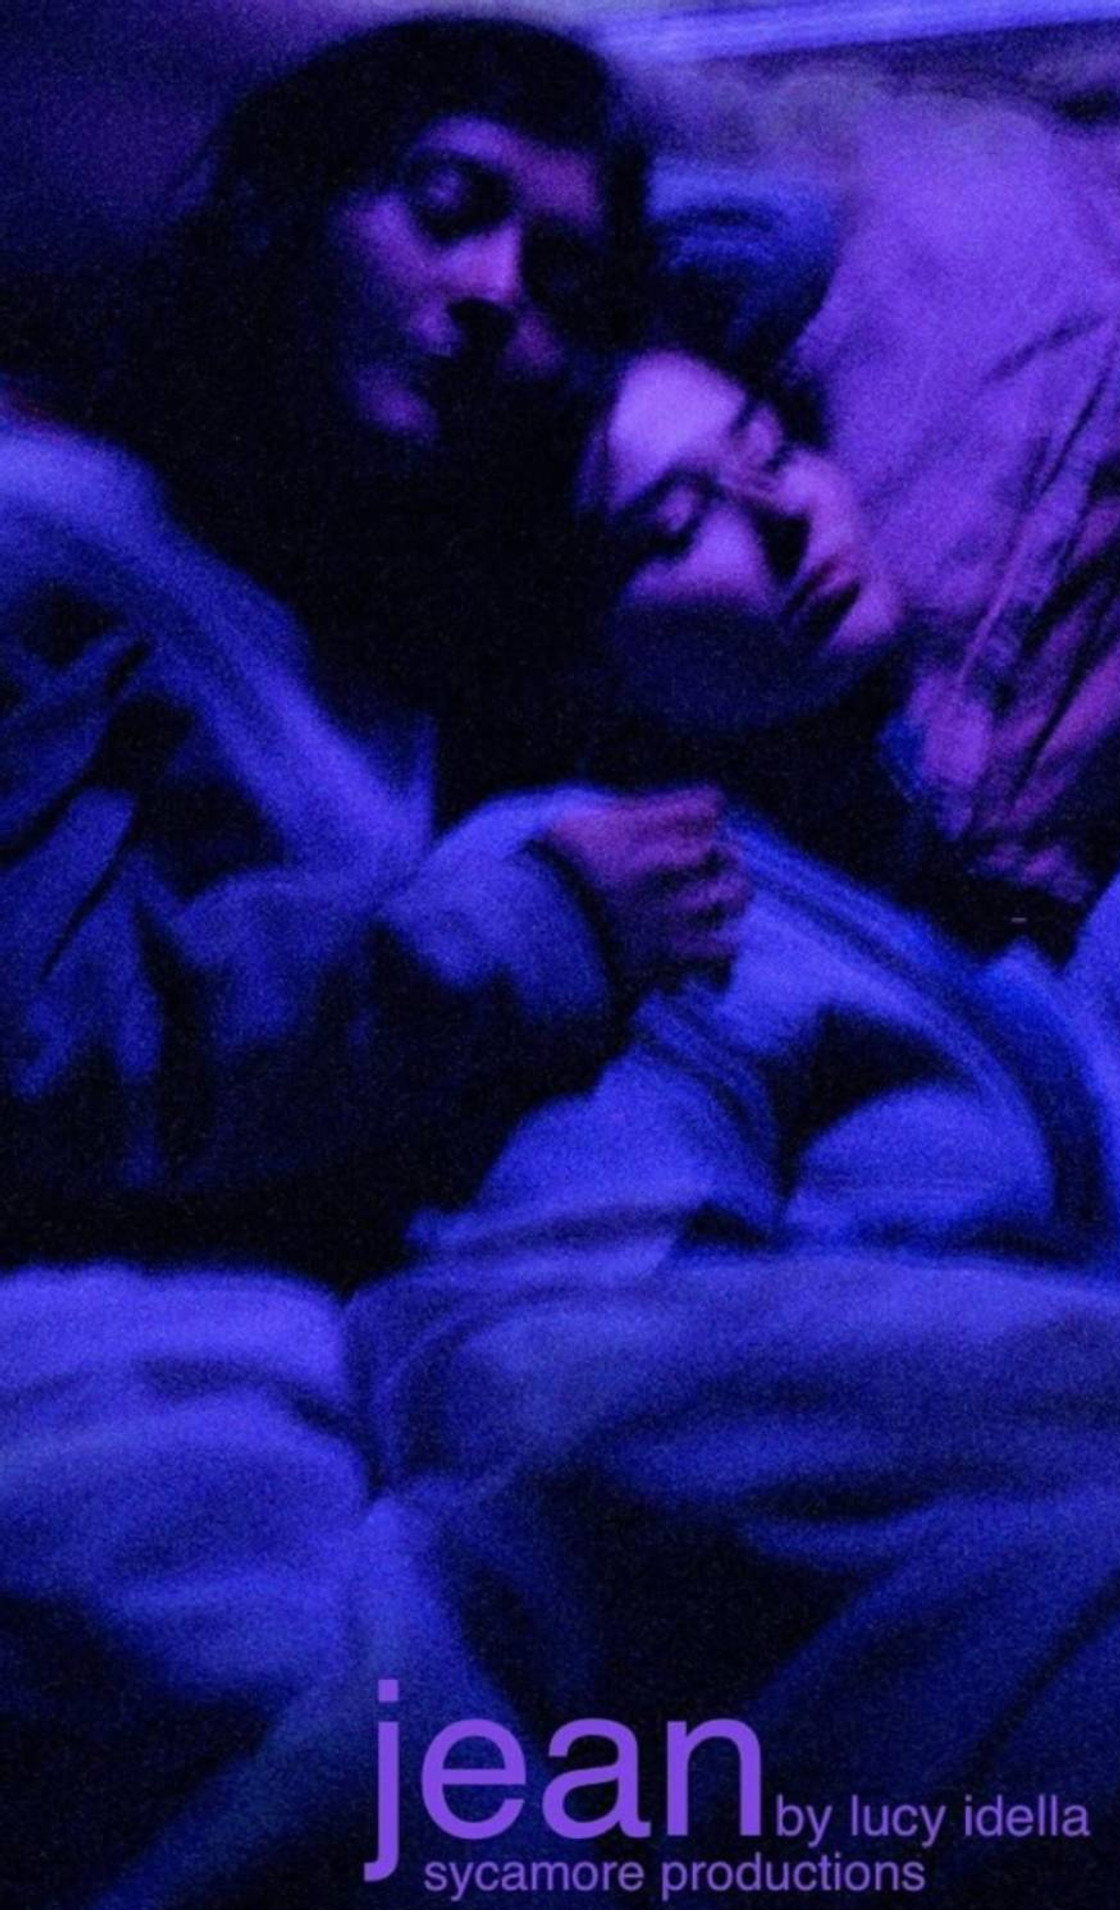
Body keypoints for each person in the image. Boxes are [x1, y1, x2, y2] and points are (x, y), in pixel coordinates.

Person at [0, 19, 749, 1281]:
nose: (497, 291)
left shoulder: (411, 606)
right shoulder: (54, 544)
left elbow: (778, 248)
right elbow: (36, 1051)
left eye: (560, 276)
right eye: (445, 205)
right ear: (296, 208)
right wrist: (533, 927)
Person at [573, 345, 1120, 958]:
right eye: (681, 522)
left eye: (773, 450)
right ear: (598, 673)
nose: (784, 510)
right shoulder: (701, 935)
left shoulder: (1068, 704)